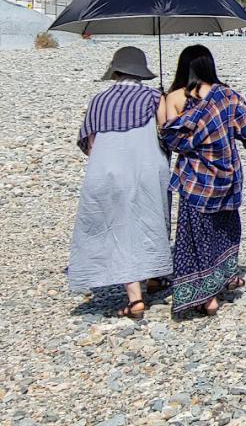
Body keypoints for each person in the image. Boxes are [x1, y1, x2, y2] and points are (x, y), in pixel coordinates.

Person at [160, 45, 246, 315]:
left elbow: (168, 138)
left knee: (194, 236)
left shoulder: (173, 97)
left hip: (194, 178)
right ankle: (223, 279)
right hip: (226, 175)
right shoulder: (227, 96)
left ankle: (204, 297)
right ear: (209, 66)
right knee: (224, 230)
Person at [67, 46, 172, 318]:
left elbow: (89, 144)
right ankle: (152, 276)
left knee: (117, 227)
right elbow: (166, 133)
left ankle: (135, 294)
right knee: (149, 221)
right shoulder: (153, 97)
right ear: (141, 72)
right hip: (147, 169)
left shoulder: (98, 101)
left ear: (115, 71)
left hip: (107, 171)